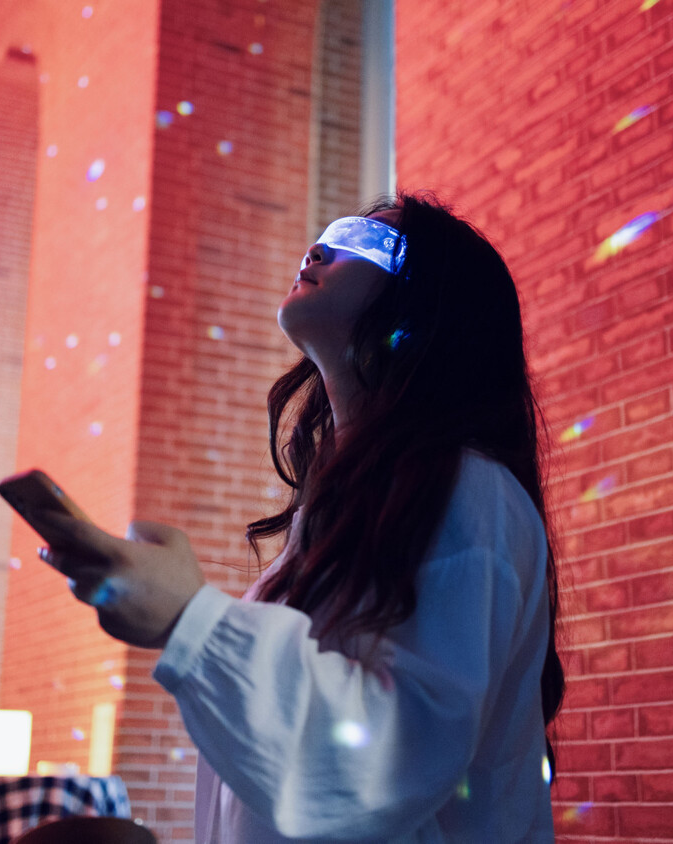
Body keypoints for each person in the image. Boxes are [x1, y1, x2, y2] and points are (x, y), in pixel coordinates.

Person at [38, 192, 564, 842]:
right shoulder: (334, 513)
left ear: (431, 309)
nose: (319, 248)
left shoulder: (470, 493)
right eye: (329, 232)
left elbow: (388, 764)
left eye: (364, 242)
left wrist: (190, 620)